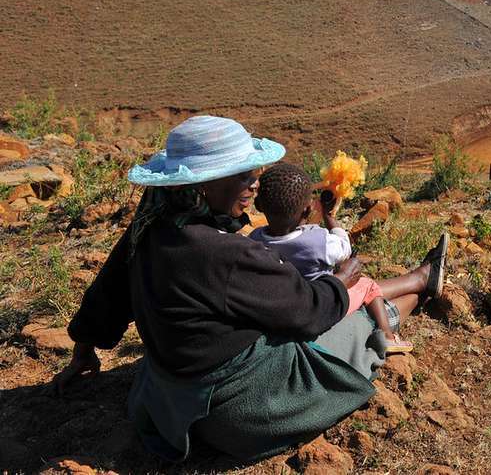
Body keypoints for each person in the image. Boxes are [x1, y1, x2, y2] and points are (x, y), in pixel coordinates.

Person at [52, 116, 447, 462]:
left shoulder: (152, 225)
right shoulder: (221, 253)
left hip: (170, 402)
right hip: (238, 411)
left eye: (254, 173)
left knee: (342, 297)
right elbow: (309, 314)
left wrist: (84, 350)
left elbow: (109, 291)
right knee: (359, 323)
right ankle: (415, 292)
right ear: (203, 185)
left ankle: (419, 279)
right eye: (243, 176)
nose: (255, 185)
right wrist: (340, 281)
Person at [250, 163, 432, 354]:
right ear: (307, 210)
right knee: (367, 284)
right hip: (326, 305)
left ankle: (420, 281)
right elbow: (345, 248)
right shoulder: (318, 241)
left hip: (292, 309)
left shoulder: (254, 239)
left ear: (260, 205)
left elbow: (292, 238)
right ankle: (386, 335)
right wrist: (329, 217)